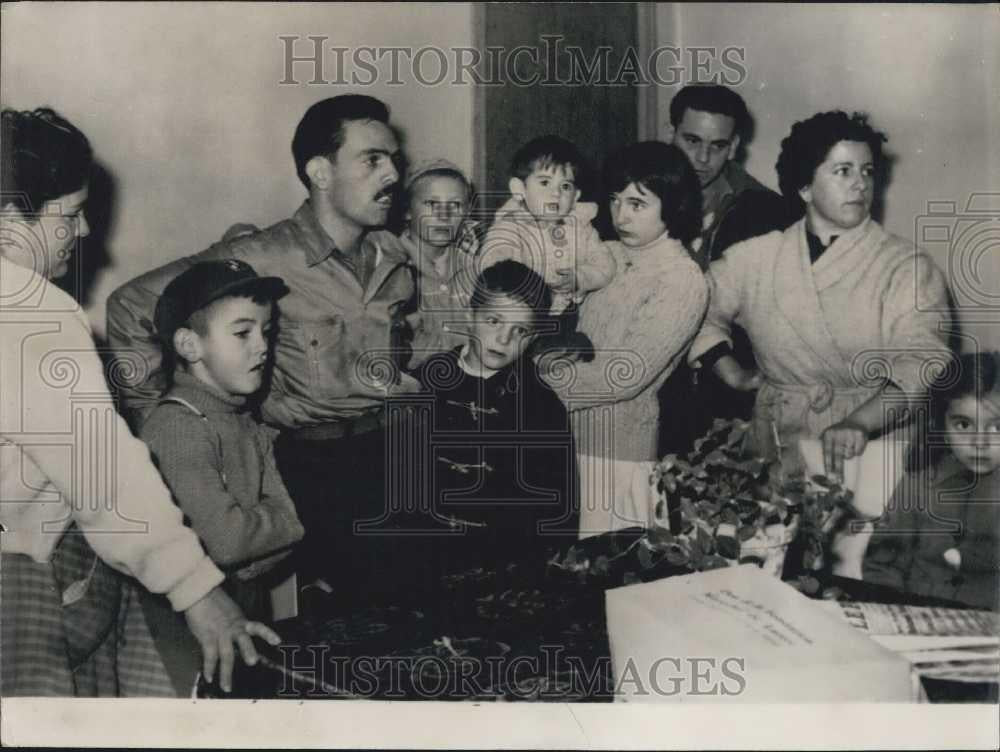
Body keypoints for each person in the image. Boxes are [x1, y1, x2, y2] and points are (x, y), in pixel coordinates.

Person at [1, 107, 277, 697]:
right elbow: (104, 474)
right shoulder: (29, 313)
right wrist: (199, 592)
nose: (82, 233)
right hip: (25, 595)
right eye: (69, 216)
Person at [105, 95, 420, 603]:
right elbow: (130, 305)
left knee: (419, 606)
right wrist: (154, 419)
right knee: (348, 629)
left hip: (386, 453)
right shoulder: (262, 254)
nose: (392, 174)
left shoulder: (394, 256)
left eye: (394, 159)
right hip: (312, 464)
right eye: (373, 159)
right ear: (320, 172)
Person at [687, 110, 953, 482]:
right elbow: (693, 307)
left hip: (873, 445)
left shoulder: (907, 266)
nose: (861, 184)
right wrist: (732, 374)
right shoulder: (756, 257)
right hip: (779, 442)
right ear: (805, 187)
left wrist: (858, 423)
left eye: (868, 171)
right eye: (843, 171)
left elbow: (923, 360)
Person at [541, 142, 708, 538]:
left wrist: (535, 387)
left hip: (618, 446)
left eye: (638, 204)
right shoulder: (606, 253)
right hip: (562, 433)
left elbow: (624, 374)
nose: (620, 215)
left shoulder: (682, 279)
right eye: (615, 200)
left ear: (673, 204)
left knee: (606, 565)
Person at [141, 260, 304, 620]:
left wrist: (270, 528)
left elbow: (257, 546)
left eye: (267, 331)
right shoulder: (179, 427)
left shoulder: (236, 415)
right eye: (243, 333)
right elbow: (228, 541)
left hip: (243, 603)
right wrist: (295, 514)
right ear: (189, 345)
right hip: (193, 623)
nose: (263, 347)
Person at [409, 260, 578, 590]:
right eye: (494, 320)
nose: (504, 338)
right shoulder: (426, 380)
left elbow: (559, 502)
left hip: (502, 563)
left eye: (521, 330)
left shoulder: (541, 406)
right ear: (471, 315)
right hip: (424, 557)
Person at [658, 84, 793, 454]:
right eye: (691, 140)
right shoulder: (636, 190)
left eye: (717, 146)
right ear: (670, 134)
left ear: (734, 147)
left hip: (720, 391)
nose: (702, 158)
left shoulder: (766, 211)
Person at [863, 352, 999, 611]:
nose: (979, 443)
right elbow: (882, 562)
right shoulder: (919, 480)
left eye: (997, 428)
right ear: (941, 427)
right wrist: (889, 608)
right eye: (963, 425)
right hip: (916, 614)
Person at [479, 135, 616, 315]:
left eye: (565, 186)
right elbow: (493, 264)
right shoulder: (510, 227)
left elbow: (605, 263)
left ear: (575, 197)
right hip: (519, 313)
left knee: (576, 342)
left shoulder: (582, 228)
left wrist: (580, 278)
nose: (556, 193)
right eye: (545, 182)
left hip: (566, 312)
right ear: (519, 189)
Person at [398, 158, 481, 367]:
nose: (444, 216)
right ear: (407, 211)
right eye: (432, 204)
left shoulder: (474, 265)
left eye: (455, 205)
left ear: (466, 213)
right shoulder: (392, 266)